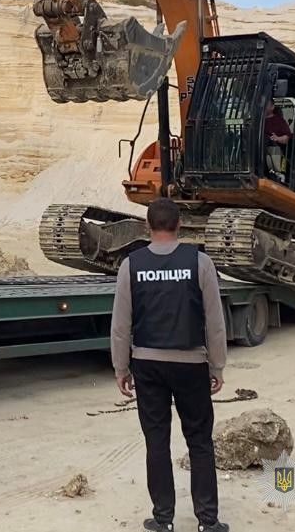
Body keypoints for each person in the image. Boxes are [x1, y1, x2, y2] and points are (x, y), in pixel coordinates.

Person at [111, 198, 229, 532]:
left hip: (147, 364)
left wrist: (121, 368)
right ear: (179, 226)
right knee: (200, 442)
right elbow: (214, 321)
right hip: (191, 363)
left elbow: (121, 323)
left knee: (157, 442)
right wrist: (217, 366)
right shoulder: (200, 262)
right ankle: (208, 520)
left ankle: (163, 520)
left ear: (148, 227)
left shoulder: (131, 265)